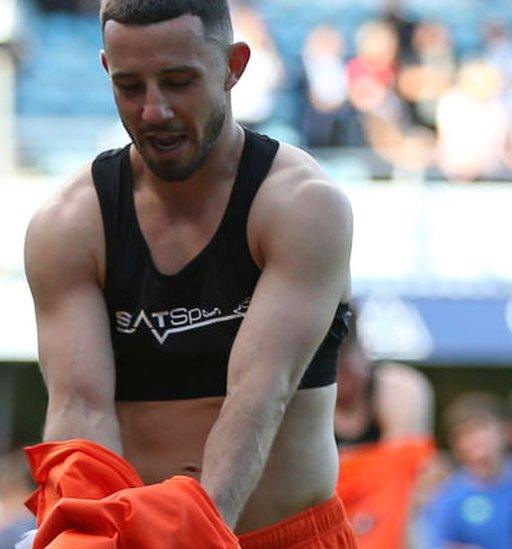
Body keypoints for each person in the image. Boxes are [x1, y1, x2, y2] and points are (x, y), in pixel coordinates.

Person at [24, 0, 354, 546]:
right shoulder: (70, 224)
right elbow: (79, 410)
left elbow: (258, 394)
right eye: (130, 87)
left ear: (234, 66)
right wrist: (89, 532)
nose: (154, 111)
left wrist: (193, 534)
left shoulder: (301, 206)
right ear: (106, 70)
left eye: (178, 82)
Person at [334, 306, 437, 548]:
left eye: (346, 368)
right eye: (331, 372)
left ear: (362, 352)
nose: (340, 380)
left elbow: (402, 472)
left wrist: (343, 469)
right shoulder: (306, 397)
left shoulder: (400, 388)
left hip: (390, 524)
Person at [419, 392, 512, 549]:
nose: (474, 440)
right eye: (463, 434)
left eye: (480, 428)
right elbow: (433, 542)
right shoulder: (447, 496)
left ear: (506, 431)